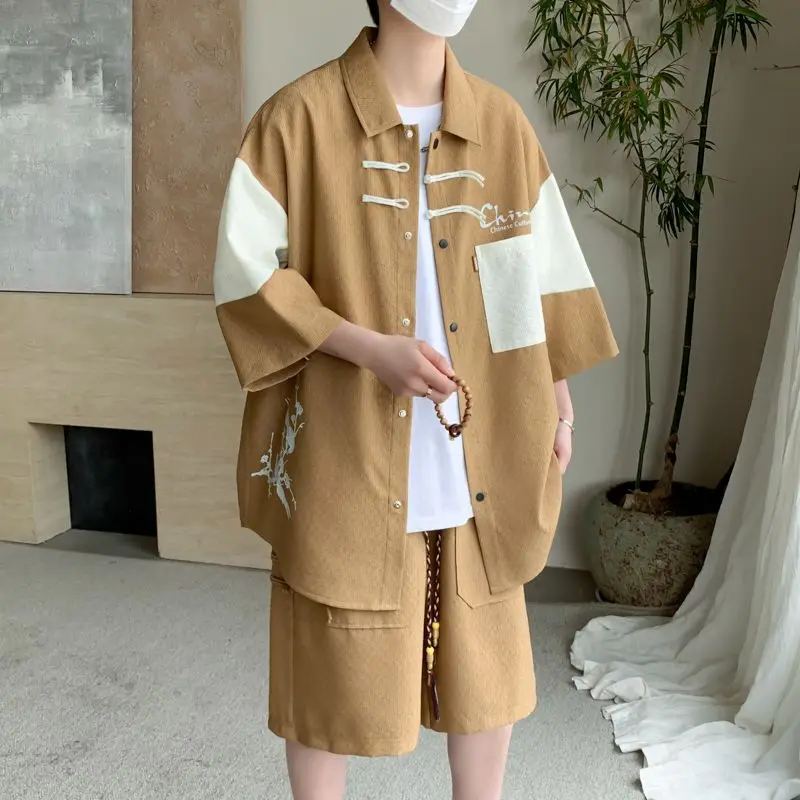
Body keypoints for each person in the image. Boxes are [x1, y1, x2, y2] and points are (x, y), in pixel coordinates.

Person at [213, 1, 618, 798]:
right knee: (324, 679)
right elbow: (247, 275)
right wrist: (368, 349)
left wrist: (558, 401)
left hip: (482, 445)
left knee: (488, 674)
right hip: (348, 444)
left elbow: (526, 282)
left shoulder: (500, 124)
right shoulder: (297, 120)